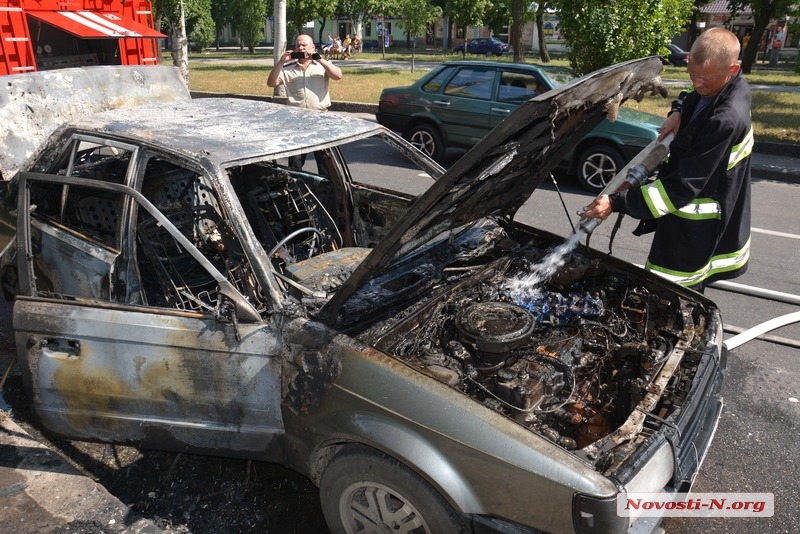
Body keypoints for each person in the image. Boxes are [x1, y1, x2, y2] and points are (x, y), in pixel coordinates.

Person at [580, 27, 753, 292]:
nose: (697, 84)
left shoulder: (725, 119)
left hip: (695, 230)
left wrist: (615, 203)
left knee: (670, 293)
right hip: (688, 217)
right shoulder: (724, 87)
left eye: (705, 79)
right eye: (693, 75)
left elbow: (679, 188)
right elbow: (693, 96)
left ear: (732, 69)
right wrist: (678, 111)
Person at [267, 34, 343, 112]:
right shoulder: (287, 69)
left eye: (304, 45)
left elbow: (337, 76)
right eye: (298, 46)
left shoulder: (323, 65)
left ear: (313, 47)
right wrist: (281, 62)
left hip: (320, 114)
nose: (300, 48)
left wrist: (319, 59)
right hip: (295, 115)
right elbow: (271, 83)